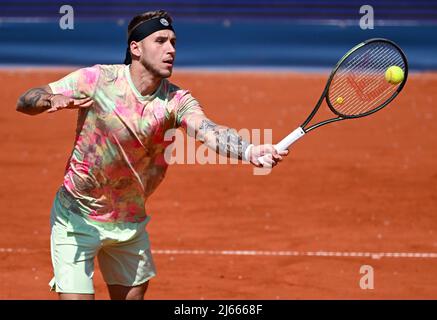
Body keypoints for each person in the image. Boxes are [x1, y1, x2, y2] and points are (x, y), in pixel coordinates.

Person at [16, 10, 288, 300]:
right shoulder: (98, 79)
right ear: (135, 48)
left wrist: (249, 150)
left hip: (129, 221)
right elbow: (25, 101)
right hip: (77, 217)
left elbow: (208, 130)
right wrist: (50, 99)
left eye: (173, 42)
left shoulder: (177, 101)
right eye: (160, 41)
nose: (170, 49)